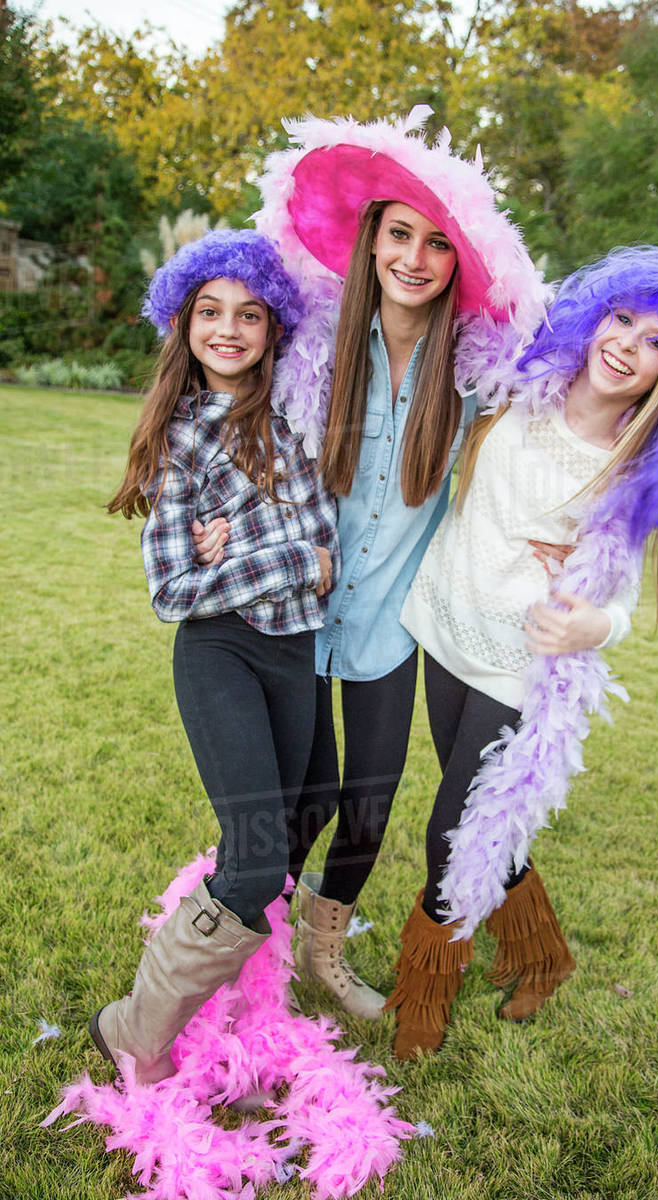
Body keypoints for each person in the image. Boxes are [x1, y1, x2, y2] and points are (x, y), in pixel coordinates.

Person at [192, 108, 551, 1020]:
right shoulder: (312, 343)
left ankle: (326, 949)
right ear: (371, 240)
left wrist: (580, 530)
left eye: (437, 244)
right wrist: (207, 516)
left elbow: (557, 433)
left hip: (393, 624)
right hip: (292, 615)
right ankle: (246, 945)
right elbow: (222, 396)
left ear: (456, 266)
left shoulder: (474, 372)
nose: (415, 258)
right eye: (400, 234)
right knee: (288, 807)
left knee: (370, 802)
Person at [386, 244, 658, 1060]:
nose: (628, 344)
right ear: (592, 318)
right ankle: (544, 955)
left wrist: (591, 627)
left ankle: (424, 992)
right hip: (445, 621)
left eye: (657, 342)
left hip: (520, 660)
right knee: (484, 818)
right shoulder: (519, 383)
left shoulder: (631, 467)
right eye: (621, 319)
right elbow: (461, 306)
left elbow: (617, 605)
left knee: (454, 830)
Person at [93, 229, 339, 1084]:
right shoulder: (182, 437)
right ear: (183, 322)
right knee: (256, 854)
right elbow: (172, 590)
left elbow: (328, 532)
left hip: (294, 652)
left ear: (275, 329)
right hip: (221, 656)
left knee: (309, 813)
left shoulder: (296, 415)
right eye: (209, 311)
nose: (229, 328)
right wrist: (290, 562)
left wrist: (232, 557)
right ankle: (132, 1026)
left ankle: (245, 982)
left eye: (250, 313)